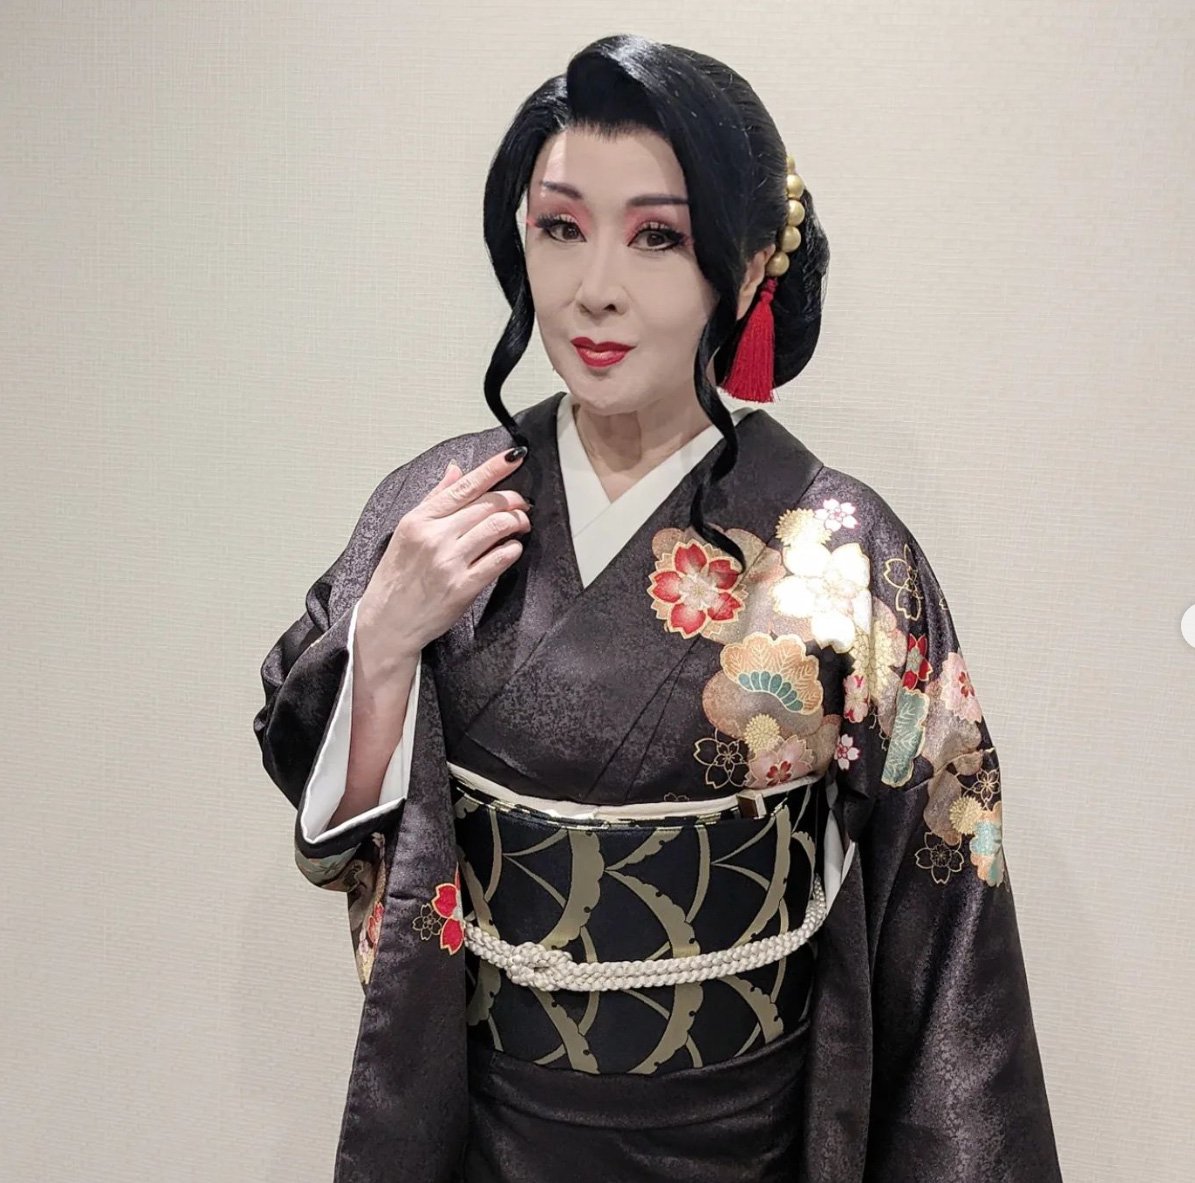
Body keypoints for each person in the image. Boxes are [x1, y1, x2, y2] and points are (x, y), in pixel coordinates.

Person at [253, 33, 1062, 1183]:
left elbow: (945, 908)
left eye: (656, 237)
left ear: (744, 267)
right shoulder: (437, 510)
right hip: (493, 1132)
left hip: (739, 1140)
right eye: (560, 228)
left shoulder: (840, 550)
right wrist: (379, 643)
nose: (596, 286)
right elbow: (330, 815)